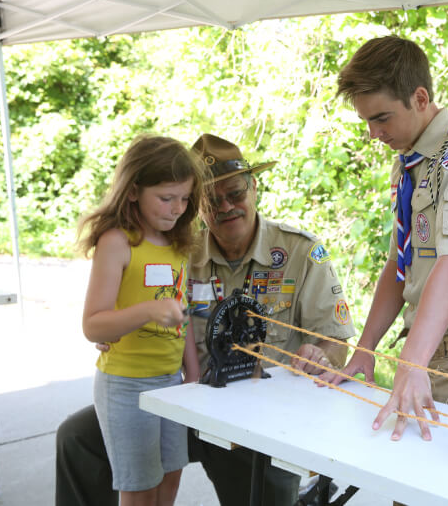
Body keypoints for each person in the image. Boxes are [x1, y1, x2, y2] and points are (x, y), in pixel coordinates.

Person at [56, 133, 356, 506]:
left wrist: (319, 354)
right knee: (77, 436)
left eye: (235, 193)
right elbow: (123, 303)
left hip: (262, 419)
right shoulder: (180, 249)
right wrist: (116, 329)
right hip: (192, 399)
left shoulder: (299, 252)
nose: (226, 206)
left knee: (263, 487)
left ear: (254, 188)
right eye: (210, 201)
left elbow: (336, 342)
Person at [322, 36, 448, 442]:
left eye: (382, 118)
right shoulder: (411, 162)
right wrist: (366, 348)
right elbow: (400, 265)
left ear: (421, 97)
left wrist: (411, 364)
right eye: (367, 122)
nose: (374, 133)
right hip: (428, 353)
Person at [78, 135, 204, 506]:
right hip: (126, 385)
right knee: (140, 490)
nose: (177, 208)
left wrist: (192, 376)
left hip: (172, 382)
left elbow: (185, 319)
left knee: (168, 484)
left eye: (185, 198)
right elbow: (93, 325)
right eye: (166, 198)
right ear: (133, 191)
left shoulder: (177, 243)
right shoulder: (117, 242)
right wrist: (149, 310)